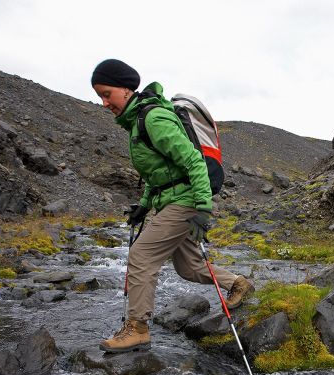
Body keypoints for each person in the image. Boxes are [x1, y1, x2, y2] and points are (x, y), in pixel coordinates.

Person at [91, 59, 254, 353]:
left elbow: (192, 161)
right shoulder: (138, 122)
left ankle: (137, 329)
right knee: (189, 267)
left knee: (141, 256)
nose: (104, 103)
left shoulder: (153, 119)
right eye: (99, 96)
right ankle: (239, 283)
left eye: (107, 93)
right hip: (174, 198)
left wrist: (203, 209)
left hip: (187, 200)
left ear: (126, 89)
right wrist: (143, 205)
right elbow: (161, 173)